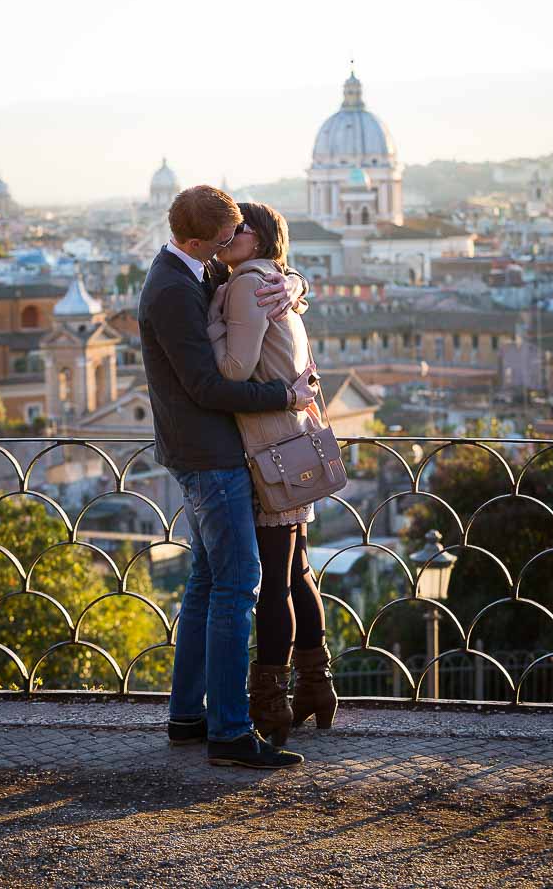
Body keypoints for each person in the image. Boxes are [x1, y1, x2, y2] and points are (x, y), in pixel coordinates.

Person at [138, 185, 318, 769]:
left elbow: (260, 268)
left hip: (203, 451)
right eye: (222, 240)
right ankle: (230, 731)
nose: (228, 250)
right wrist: (284, 395)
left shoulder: (192, 269)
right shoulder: (170, 289)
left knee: (205, 585)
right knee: (239, 584)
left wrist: (295, 283)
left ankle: (188, 717)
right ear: (196, 240)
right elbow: (208, 386)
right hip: (209, 454)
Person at [207, 202, 338, 746]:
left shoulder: (244, 285)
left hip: (268, 448)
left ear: (257, 239)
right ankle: (316, 685)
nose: (227, 234)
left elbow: (234, 369)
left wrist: (212, 325)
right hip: (297, 441)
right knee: (299, 567)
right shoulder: (275, 279)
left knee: (273, 582)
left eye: (239, 228)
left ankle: (270, 701)